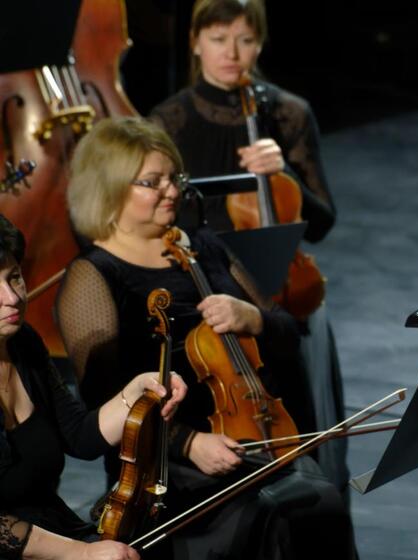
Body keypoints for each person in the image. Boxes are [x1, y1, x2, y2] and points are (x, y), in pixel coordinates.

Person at [56, 116, 355, 559]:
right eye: (152, 182)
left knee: (320, 502)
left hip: (250, 434)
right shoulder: (93, 276)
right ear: (109, 189)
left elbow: (289, 334)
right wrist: (189, 443)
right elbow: (106, 403)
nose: (172, 191)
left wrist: (254, 318)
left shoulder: (201, 245)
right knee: (274, 513)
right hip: (167, 464)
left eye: (173, 178)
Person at [149, 0, 349, 498]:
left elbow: (322, 222)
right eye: (219, 39)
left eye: (245, 39)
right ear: (195, 43)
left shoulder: (287, 113)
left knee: (299, 440)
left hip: (277, 297)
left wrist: (285, 175)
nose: (232, 54)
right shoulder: (169, 120)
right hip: (202, 298)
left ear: (260, 43)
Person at [0, 214, 187, 560]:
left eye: (14, 278)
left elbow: (80, 436)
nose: (11, 298)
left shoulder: (23, 342)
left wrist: (137, 390)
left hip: (57, 530)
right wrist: (81, 554)